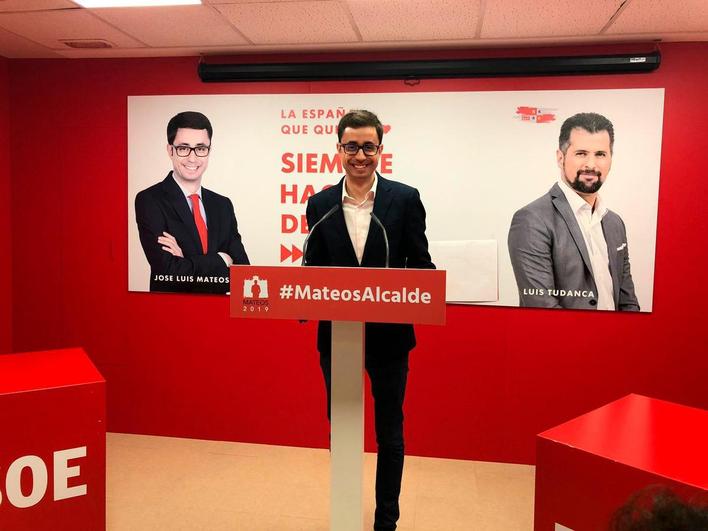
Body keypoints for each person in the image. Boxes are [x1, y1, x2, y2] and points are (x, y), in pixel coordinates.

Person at [304, 110, 434, 531]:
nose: (360, 155)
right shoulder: (320, 204)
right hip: (337, 337)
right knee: (341, 431)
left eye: (368, 146)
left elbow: (422, 264)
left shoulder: (405, 198)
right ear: (338, 149)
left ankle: (386, 522)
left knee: (389, 433)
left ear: (380, 149)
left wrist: (421, 289)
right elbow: (315, 270)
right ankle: (344, 515)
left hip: (390, 338)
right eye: (351, 146)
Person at [508, 112, 640, 310]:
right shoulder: (531, 220)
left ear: (611, 158)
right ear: (560, 158)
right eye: (581, 153)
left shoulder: (615, 222)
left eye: (600, 154)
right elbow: (542, 307)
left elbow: (628, 300)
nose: (591, 164)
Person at [135, 111, 249, 293]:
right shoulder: (150, 200)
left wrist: (185, 263)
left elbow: (244, 276)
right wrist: (222, 260)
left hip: (217, 314)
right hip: (171, 313)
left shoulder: (223, 205)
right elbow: (168, 273)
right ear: (170, 150)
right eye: (183, 148)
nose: (193, 158)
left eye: (201, 148)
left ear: (209, 151)